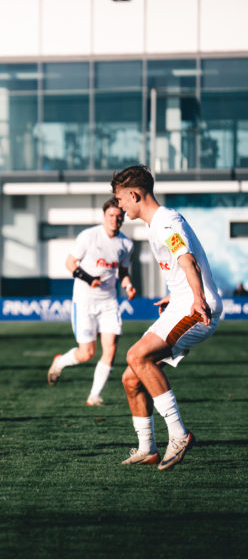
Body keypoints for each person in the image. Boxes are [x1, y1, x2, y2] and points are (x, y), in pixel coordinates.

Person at [111, 165, 221, 470]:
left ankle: (179, 434)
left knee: (137, 355)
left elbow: (188, 261)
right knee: (131, 377)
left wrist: (196, 298)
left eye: (120, 199)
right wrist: (178, 294)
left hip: (196, 309)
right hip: (182, 302)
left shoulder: (165, 222)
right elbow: (186, 263)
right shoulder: (157, 223)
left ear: (133, 194)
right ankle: (147, 447)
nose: (119, 206)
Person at [47, 198, 136, 406]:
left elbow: (123, 272)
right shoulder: (88, 236)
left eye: (119, 215)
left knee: (111, 349)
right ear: (104, 216)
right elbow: (70, 263)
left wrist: (128, 285)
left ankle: (94, 395)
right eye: (111, 215)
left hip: (109, 302)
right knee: (87, 353)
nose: (115, 219)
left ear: (123, 217)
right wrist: (90, 280)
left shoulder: (126, 244)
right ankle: (59, 362)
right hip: (85, 301)